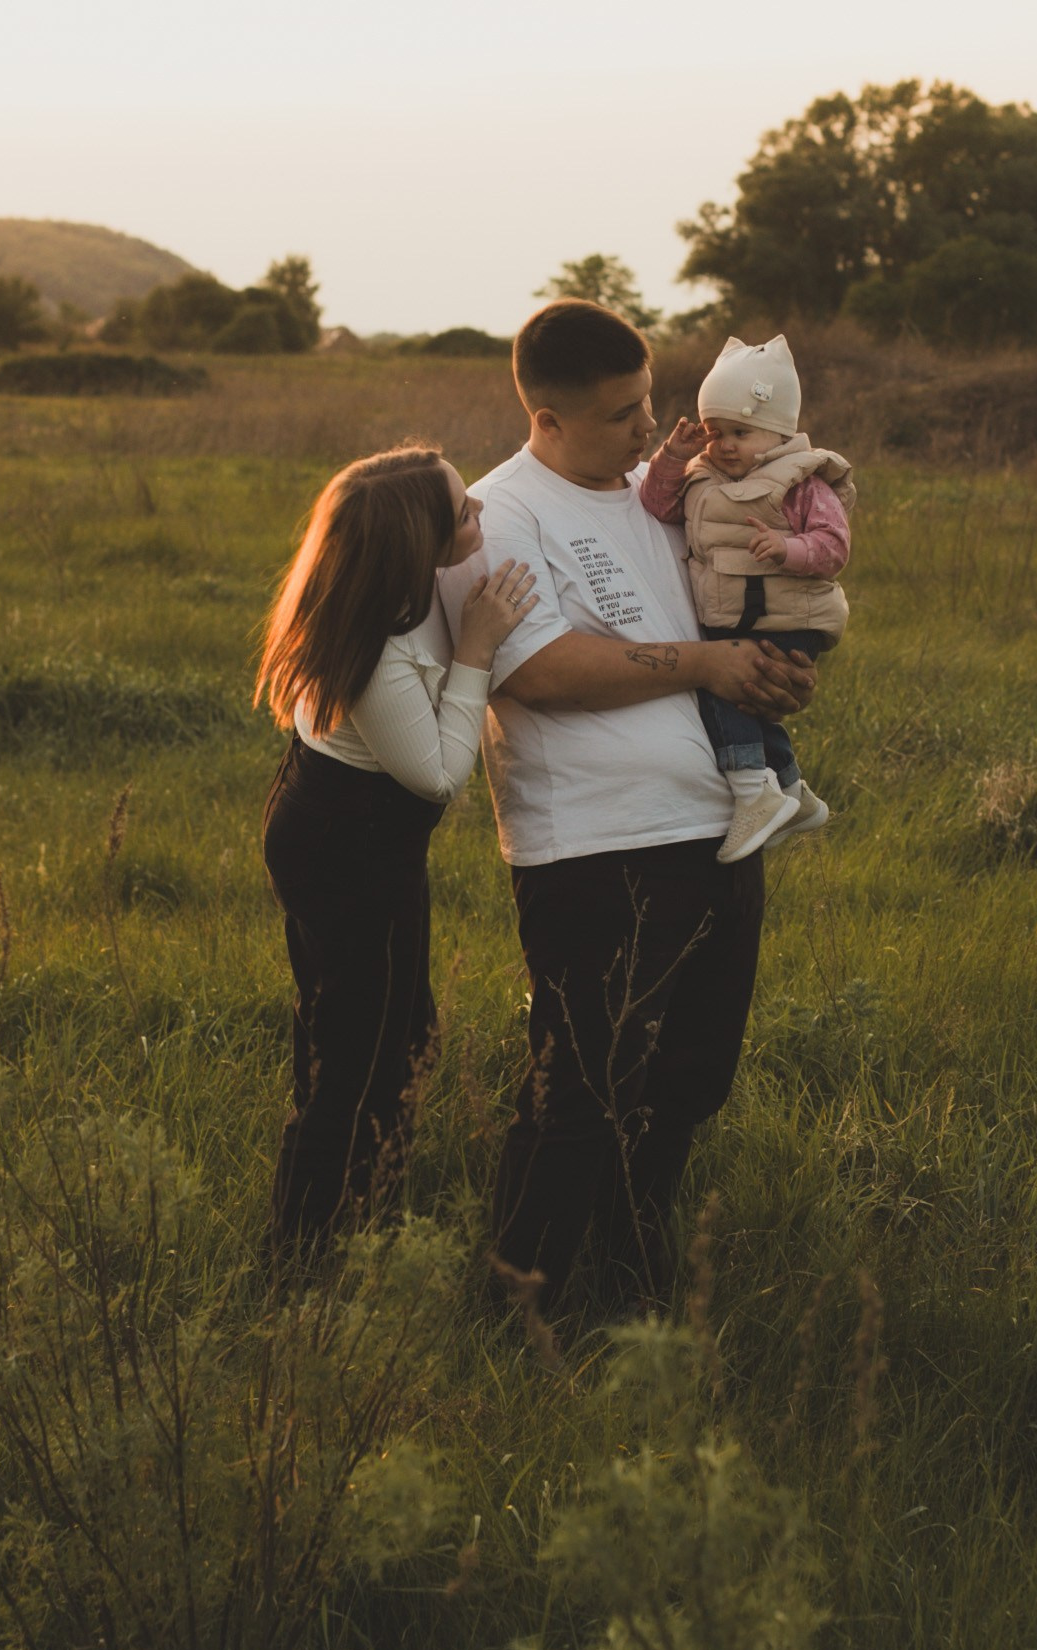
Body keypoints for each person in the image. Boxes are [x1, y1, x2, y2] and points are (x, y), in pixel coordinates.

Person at [435, 301, 816, 1314]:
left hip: (718, 828)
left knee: (689, 1078)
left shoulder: (662, 495)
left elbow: (722, 618)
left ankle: (629, 1273)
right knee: (582, 1091)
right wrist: (703, 664)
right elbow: (537, 669)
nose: (647, 426)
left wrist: (768, 672)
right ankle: (519, 1308)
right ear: (546, 418)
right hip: (596, 848)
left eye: (647, 401)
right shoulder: (499, 514)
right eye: (619, 414)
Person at [255, 445, 538, 1267]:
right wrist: (477, 649)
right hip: (351, 846)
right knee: (367, 1058)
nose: (479, 512)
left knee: (381, 1033)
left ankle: (359, 1211)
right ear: (415, 543)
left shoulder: (391, 589)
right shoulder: (376, 649)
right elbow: (439, 776)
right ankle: (304, 1254)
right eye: (462, 512)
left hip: (340, 829)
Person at [638, 334, 855, 861]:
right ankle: (793, 792)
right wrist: (674, 456)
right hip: (740, 615)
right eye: (715, 433)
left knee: (727, 691)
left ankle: (753, 792)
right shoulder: (702, 476)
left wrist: (787, 549)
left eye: (741, 432)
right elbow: (658, 503)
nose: (725, 445)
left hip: (789, 614)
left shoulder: (803, 482)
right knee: (751, 702)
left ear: (779, 432)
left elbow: (834, 546)